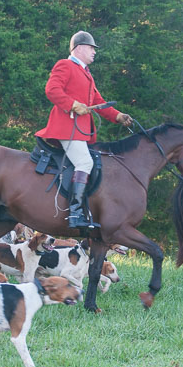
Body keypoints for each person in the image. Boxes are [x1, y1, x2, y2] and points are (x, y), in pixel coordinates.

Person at [35, 31, 133, 229]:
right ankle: (75, 213)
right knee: (84, 162)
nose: (94, 52)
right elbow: (52, 90)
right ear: (79, 48)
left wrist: (117, 116)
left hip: (79, 131)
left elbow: (98, 102)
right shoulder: (65, 65)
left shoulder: (86, 73)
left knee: (92, 162)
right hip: (66, 128)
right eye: (91, 48)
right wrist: (72, 104)